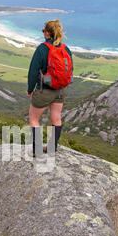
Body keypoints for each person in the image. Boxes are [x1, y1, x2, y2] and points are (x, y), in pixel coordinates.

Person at [27, 19, 73, 157]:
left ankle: (38, 150)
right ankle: (52, 148)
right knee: (56, 118)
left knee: (34, 119)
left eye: (44, 32)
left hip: (44, 90)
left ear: (47, 32)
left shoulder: (42, 49)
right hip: (60, 90)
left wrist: (30, 89)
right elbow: (70, 71)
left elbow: (33, 71)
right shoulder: (65, 49)